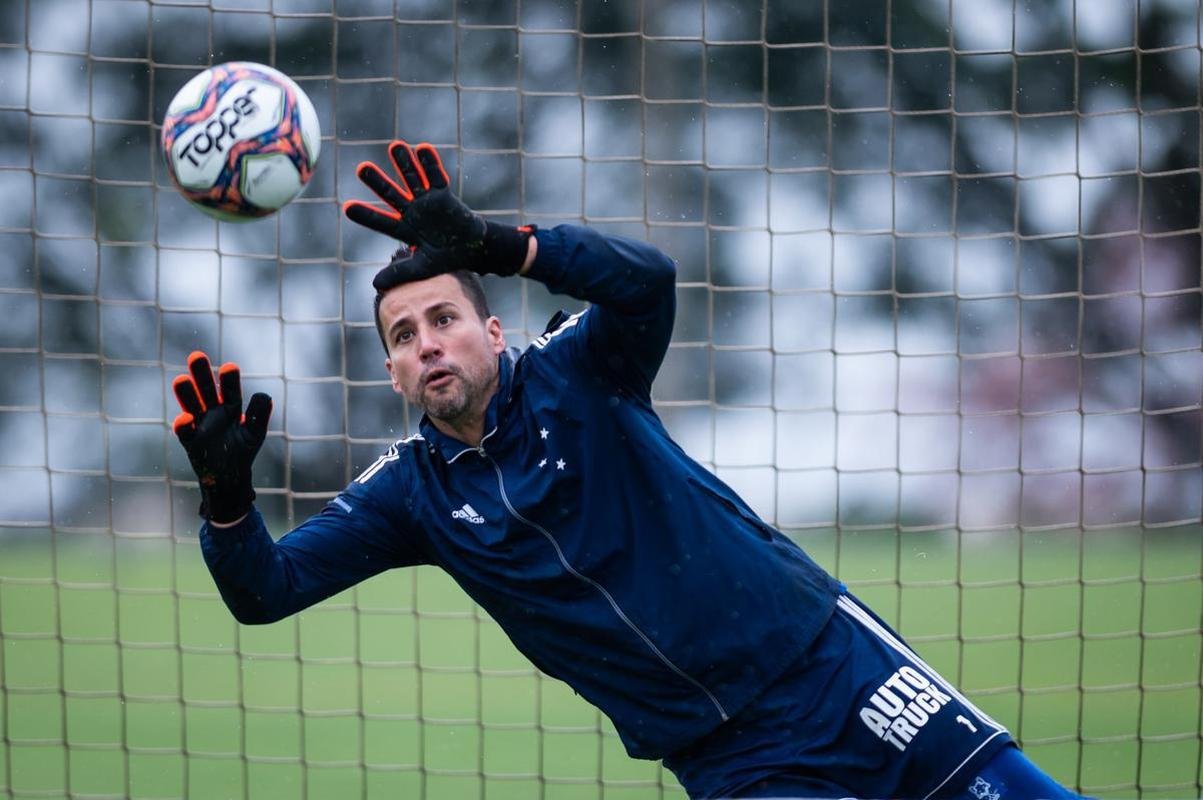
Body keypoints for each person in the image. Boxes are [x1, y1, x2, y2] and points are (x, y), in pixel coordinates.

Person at [171, 140, 1086, 800]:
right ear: (392, 373)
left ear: (494, 330)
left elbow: (647, 280)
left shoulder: (578, 370)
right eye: (404, 337)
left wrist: (499, 243)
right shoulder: (409, 493)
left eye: (444, 318)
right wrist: (226, 501)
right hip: (733, 760)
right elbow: (265, 590)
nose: (428, 343)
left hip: (834, 666)